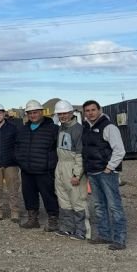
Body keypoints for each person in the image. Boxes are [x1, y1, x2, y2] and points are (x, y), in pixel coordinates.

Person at [81, 100, 127, 250]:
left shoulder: (109, 127)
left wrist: (109, 167)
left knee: (114, 206)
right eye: (87, 110)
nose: (90, 113)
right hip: (93, 172)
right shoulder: (86, 128)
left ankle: (119, 239)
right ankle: (104, 235)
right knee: (99, 205)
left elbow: (119, 150)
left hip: (105, 172)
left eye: (93, 110)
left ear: (99, 110)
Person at [15, 99, 59, 231]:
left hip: (44, 170)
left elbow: (58, 149)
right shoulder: (23, 130)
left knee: (49, 195)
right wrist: (20, 161)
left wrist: (51, 163)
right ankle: (33, 219)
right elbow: (17, 147)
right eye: (30, 113)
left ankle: (53, 219)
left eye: (35, 112)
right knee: (29, 195)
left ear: (41, 112)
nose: (33, 115)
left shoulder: (53, 129)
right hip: (27, 170)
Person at [53, 100, 87, 240]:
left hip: (72, 165)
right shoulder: (62, 128)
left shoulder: (78, 129)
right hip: (60, 165)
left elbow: (80, 154)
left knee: (77, 199)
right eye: (60, 114)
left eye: (65, 113)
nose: (63, 116)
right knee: (63, 198)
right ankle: (67, 228)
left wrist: (76, 174)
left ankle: (82, 230)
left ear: (71, 113)